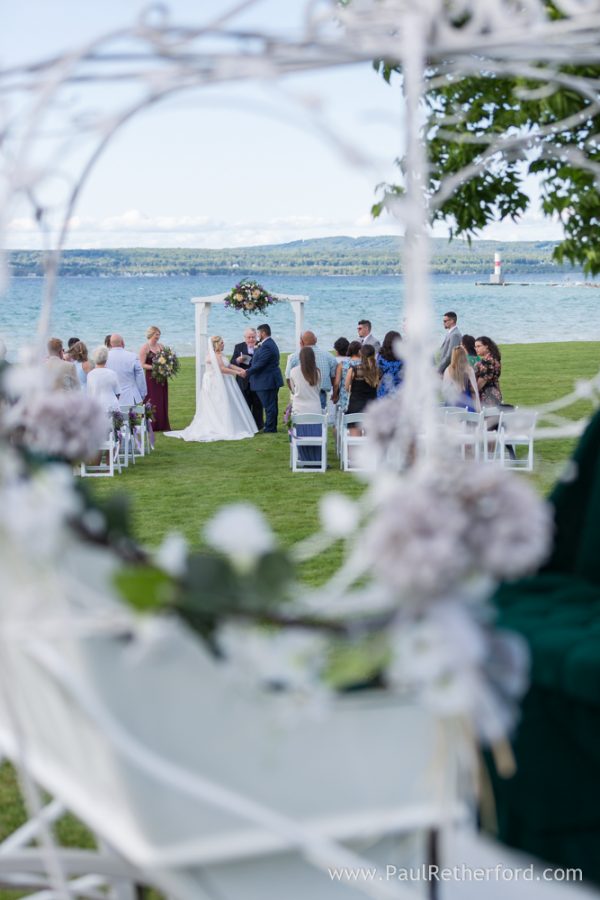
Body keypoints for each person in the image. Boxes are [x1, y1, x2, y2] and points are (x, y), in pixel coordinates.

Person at [165, 336, 257, 442]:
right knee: (218, 403)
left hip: (225, 381)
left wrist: (241, 369)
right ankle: (219, 426)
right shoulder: (212, 356)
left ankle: (229, 424)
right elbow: (222, 369)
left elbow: (229, 365)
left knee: (228, 403)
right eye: (222, 343)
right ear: (217, 344)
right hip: (215, 383)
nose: (224, 344)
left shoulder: (221, 354)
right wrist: (238, 374)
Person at [285, 330, 337, 410]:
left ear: (301, 342)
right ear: (316, 340)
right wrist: (335, 394)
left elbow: (288, 377)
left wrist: (293, 391)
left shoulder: (294, 357)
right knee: (319, 418)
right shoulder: (329, 356)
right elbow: (334, 378)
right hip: (320, 394)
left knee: (301, 419)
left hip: (300, 394)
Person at [289, 346, 323, 463]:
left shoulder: (293, 371)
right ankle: (316, 457)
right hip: (315, 407)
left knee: (301, 432)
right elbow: (318, 389)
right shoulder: (317, 372)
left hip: (299, 408)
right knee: (315, 433)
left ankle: (303, 457)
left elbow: (293, 390)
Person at [248, 324, 284, 433]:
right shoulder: (266, 344)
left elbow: (261, 363)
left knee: (269, 406)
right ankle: (271, 426)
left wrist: (247, 372)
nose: (257, 335)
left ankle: (270, 428)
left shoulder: (267, 345)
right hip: (268, 380)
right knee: (271, 405)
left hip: (267, 380)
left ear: (263, 333)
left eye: (258, 333)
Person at [139, 325, 171, 431]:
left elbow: (166, 359)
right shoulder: (145, 347)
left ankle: (162, 424)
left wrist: (167, 366)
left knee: (162, 399)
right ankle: (151, 425)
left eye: (159, 335)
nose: (158, 337)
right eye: (156, 334)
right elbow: (142, 364)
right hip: (151, 378)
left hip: (162, 377)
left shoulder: (161, 346)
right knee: (152, 400)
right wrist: (155, 367)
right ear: (151, 334)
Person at [230, 327, 263, 430]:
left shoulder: (261, 345)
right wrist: (238, 360)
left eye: (253, 337)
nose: (251, 339)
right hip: (243, 379)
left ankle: (258, 425)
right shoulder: (239, 347)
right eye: (249, 337)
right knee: (244, 402)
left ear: (256, 336)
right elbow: (231, 363)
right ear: (245, 338)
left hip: (257, 378)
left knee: (257, 403)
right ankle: (246, 425)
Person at [106, 333, 147, 407]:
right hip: (130, 396)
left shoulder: (105, 357)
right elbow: (140, 376)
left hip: (111, 396)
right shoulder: (132, 356)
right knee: (130, 417)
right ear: (122, 342)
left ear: (111, 344)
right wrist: (142, 394)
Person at [442, 346, 481, 412]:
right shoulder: (469, 369)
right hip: (466, 401)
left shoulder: (448, 370)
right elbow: (474, 389)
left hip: (452, 401)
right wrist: (478, 407)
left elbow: (445, 390)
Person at [345, 343, 379, 416]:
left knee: (354, 427)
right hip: (372, 407)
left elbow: (347, 388)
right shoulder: (377, 371)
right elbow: (378, 388)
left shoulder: (353, 370)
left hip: (355, 407)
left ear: (360, 353)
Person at [87, 346, 121, 411]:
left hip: (96, 407)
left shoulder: (90, 374)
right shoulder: (112, 373)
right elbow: (118, 393)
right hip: (112, 405)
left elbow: (89, 394)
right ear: (106, 358)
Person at [474, 336, 503, 407]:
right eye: (475, 347)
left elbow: (483, 380)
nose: (476, 349)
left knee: (486, 417)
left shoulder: (487, 361)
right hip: (495, 393)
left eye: (478, 346)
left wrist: (473, 392)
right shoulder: (494, 358)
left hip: (487, 395)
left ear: (486, 346)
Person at [333, 339, 359, 412]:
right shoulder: (364, 364)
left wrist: (335, 395)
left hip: (345, 396)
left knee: (343, 419)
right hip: (359, 395)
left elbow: (336, 383)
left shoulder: (343, 364)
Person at [376, 330, 404, 398]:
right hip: (400, 392)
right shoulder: (403, 357)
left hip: (384, 391)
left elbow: (378, 374)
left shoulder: (380, 357)